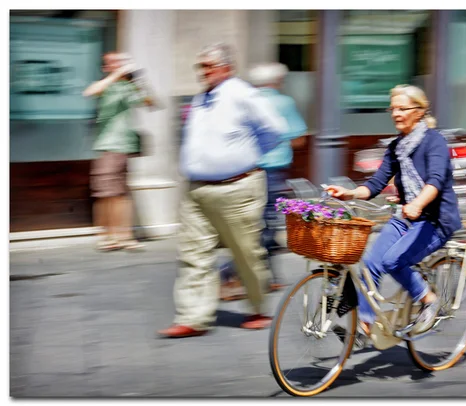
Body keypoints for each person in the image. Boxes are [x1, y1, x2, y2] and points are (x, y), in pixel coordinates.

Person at [158, 43, 288, 338]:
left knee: (246, 254)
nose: (203, 72)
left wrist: (247, 156)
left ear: (226, 67)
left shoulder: (242, 93)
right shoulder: (201, 98)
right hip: (197, 190)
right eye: (200, 66)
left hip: (237, 187)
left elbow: (275, 130)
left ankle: (257, 308)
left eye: (208, 66)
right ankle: (193, 317)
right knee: (193, 254)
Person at [326, 84, 462, 337]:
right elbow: (376, 184)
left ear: (419, 111)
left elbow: (435, 181)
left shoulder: (435, 142)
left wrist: (418, 204)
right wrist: (350, 193)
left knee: (393, 260)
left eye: (403, 109)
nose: (396, 114)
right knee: (370, 263)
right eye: (393, 109)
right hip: (406, 218)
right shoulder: (396, 147)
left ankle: (428, 299)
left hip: (435, 220)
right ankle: (364, 328)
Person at [219, 62, 307, 300]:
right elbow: (297, 137)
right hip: (272, 171)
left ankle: (267, 277)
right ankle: (227, 272)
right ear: (277, 81)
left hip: (246, 170)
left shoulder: (246, 101)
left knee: (258, 224)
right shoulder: (282, 102)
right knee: (266, 227)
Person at [83, 52, 155, 252]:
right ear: (106, 67)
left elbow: (150, 103)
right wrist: (116, 75)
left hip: (124, 146)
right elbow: (89, 92)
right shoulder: (106, 85)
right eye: (113, 63)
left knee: (120, 194)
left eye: (121, 62)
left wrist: (138, 80)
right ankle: (106, 236)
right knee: (105, 193)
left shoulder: (127, 86)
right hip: (108, 145)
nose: (119, 65)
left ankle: (123, 236)